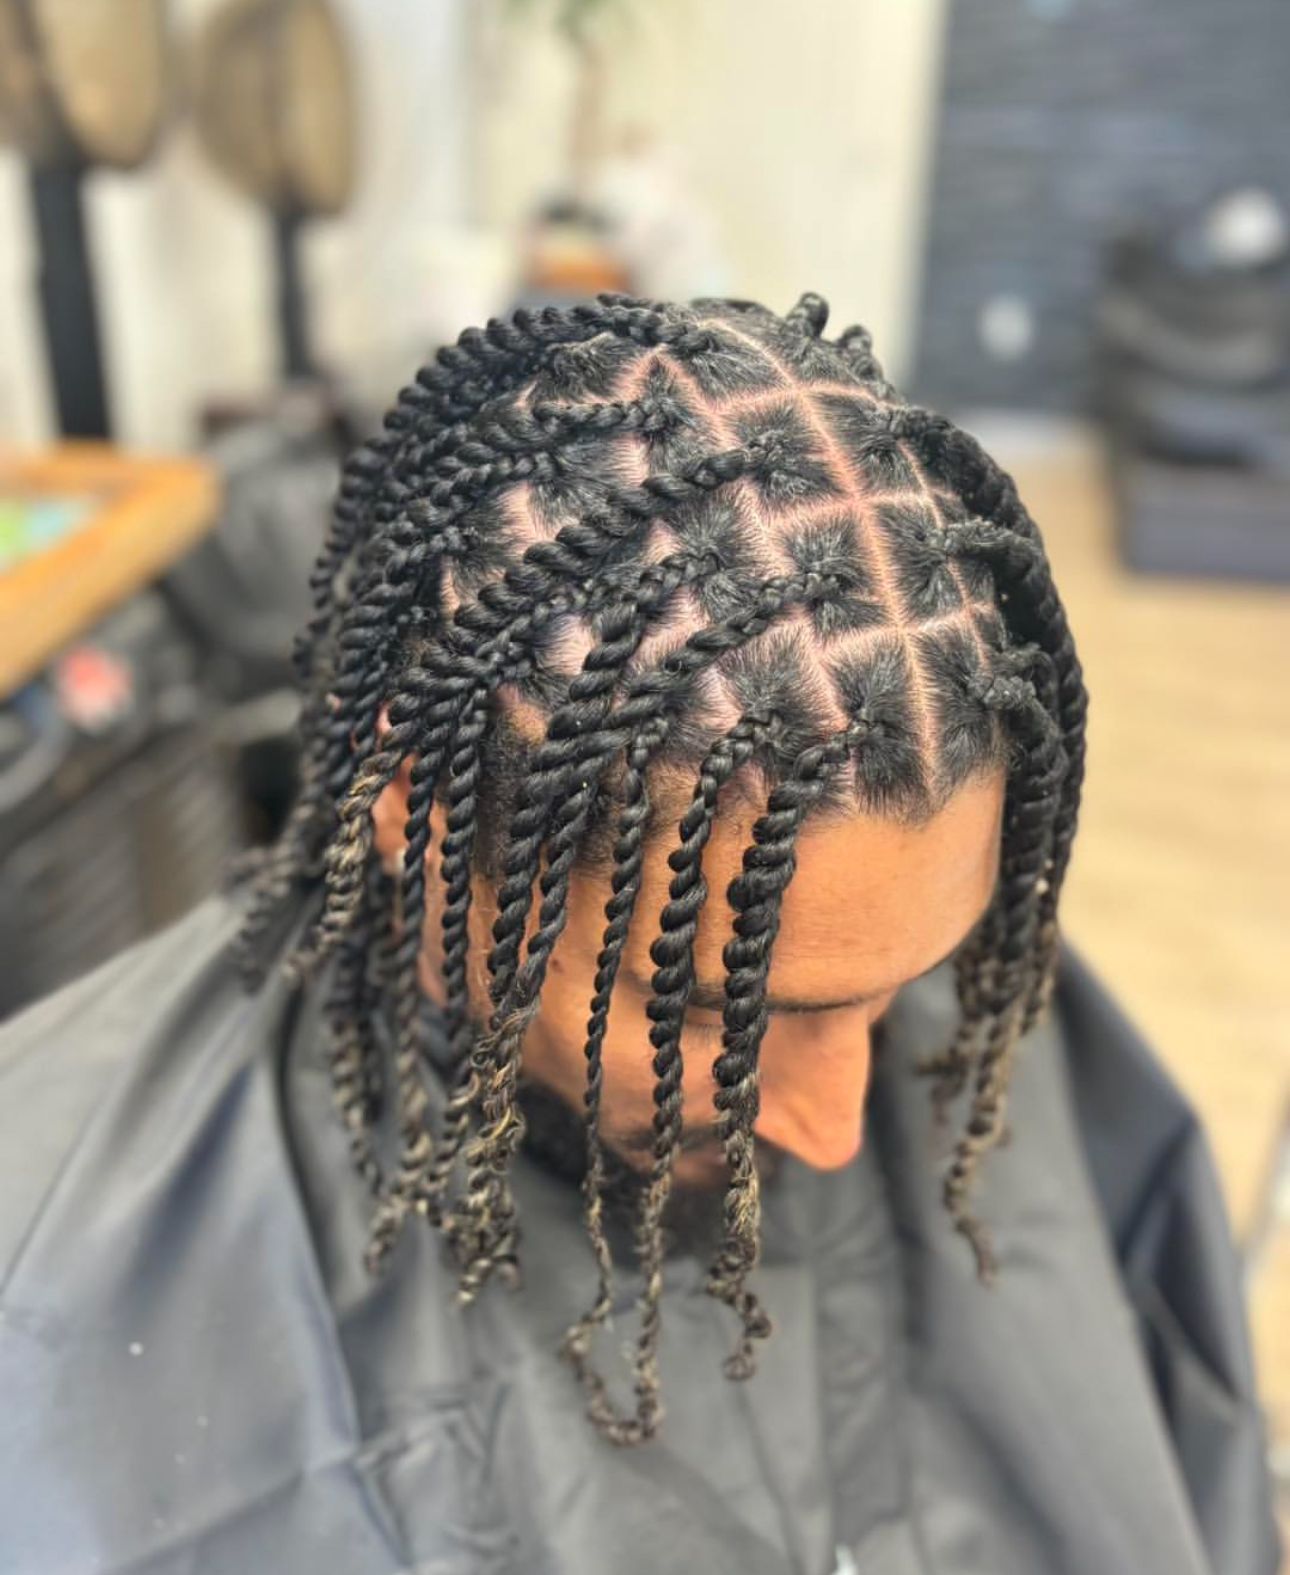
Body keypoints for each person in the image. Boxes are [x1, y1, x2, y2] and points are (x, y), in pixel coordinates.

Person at [0, 294, 1279, 1575]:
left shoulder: (977, 999)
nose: (840, 1122)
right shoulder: (54, 1261)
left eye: (905, 986)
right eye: (730, 1018)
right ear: (416, 807)